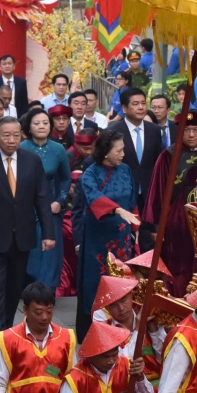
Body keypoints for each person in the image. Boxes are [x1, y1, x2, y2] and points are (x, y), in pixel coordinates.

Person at [0, 116, 56, 337]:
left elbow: (41, 199)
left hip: (22, 236)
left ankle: (6, 325)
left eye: (16, 135)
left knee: (15, 287)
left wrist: (48, 233)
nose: (12, 140)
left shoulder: (32, 161)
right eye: (6, 135)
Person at [140, 110, 197, 295]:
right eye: (186, 130)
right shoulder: (168, 155)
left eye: (196, 130)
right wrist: (156, 227)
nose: (191, 135)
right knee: (178, 267)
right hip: (177, 224)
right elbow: (157, 192)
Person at [77, 130, 139, 337]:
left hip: (122, 236)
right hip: (98, 237)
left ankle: (122, 324)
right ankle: (96, 328)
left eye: (123, 150)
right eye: (118, 150)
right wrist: (117, 210)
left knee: (122, 278)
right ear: (105, 152)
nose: (123, 154)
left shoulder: (126, 169)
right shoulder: (91, 172)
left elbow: (131, 200)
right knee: (98, 280)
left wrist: (136, 227)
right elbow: (93, 197)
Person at [20, 109, 70, 290]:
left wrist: (60, 201)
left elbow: (66, 178)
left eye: (45, 123)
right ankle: (28, 290)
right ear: (29, 127)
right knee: (30, 253)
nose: (41, 126)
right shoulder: (21, 148)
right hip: (25, 210)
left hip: (50, 209)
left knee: (50, 254)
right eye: (36, 123)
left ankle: (46, 293)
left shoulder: (58, 149)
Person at [114, 87, 162, 214]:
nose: (141, 107)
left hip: (149, 194)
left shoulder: (154, 130)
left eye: (143, 103)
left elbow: (158, 161)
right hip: (123, 194)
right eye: (135, 104)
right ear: (124, 108)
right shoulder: (113, 132)